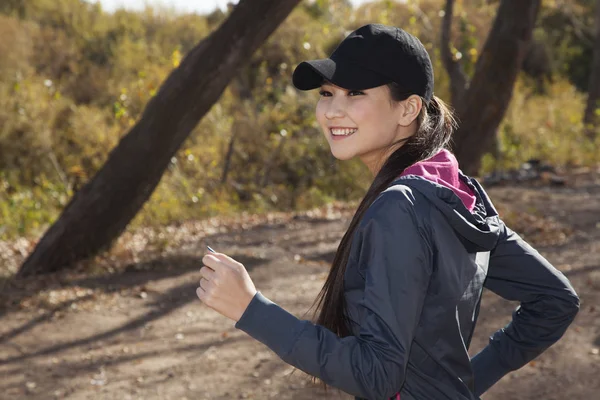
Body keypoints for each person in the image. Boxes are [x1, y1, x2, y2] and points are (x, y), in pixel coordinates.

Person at [195, 24, 580, 400]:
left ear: (408, 108)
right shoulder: (451, 189)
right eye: (328, 93)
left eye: (356, 92)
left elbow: (377, 374)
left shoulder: (401, 208)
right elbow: (555, 299)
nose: (332, 111)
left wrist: (251, 308)